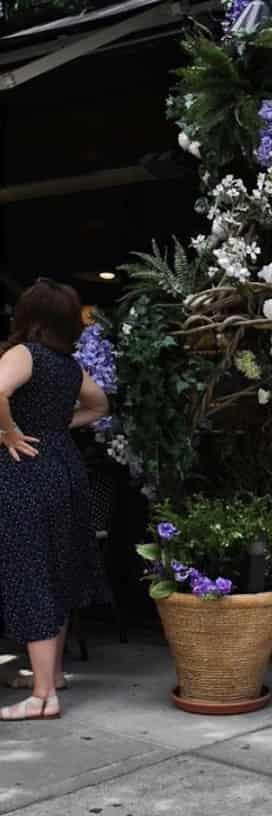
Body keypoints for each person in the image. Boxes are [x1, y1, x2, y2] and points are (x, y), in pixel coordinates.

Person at [0, 279, 109, 720]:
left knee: (31, 572)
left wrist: (8, 431)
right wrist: (58, 426)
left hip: (26, 472)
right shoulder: (68, 367)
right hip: (65, 470)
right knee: (57, 571)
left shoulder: (22, 354)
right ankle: (54, 676)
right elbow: (100, 406)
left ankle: (42, 696)